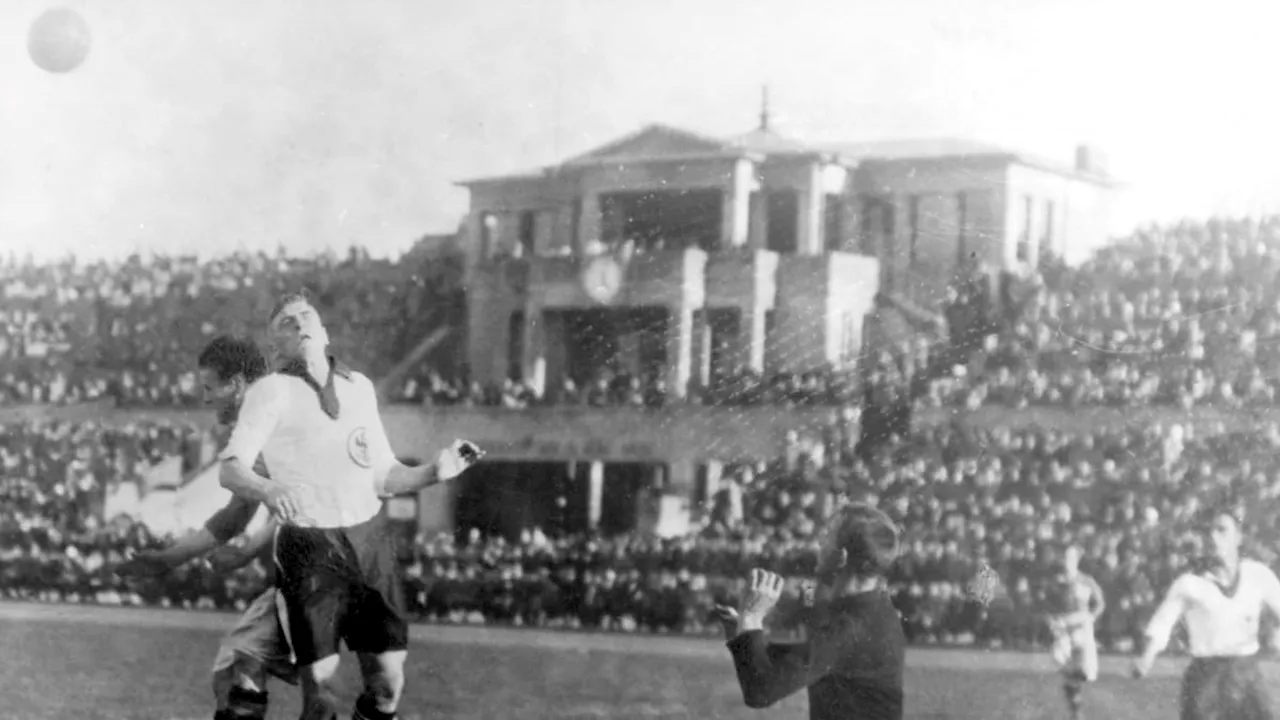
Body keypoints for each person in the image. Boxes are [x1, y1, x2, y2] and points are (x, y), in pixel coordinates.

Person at [218, 292, 483, 720]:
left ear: (323, 331)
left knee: (387, 685)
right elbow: (230, 471)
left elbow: (383, 474)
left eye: (306, 316)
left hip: (371, 543)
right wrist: (267, 490)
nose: (299, 323)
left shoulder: (360, 388)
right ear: (275, 347)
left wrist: (435, 470)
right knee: (323, 695)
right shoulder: (271, 391)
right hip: (310, 547)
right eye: (286, 322)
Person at [116, 335, 295, 720]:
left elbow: (299, 507)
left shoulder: (276, 423)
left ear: (237, 384)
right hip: (322, 563)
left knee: (245, 668)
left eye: (209, 387)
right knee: (238, 667)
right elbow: (237, 514)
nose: (205, 398)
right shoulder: (268, 424)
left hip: (320, 565)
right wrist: (168, 558)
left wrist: (247, 550)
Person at [714, 502, 905, 720]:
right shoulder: (864, 607)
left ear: (841, 557)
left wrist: (751, 617)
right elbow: (786, 656)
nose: (819, 545)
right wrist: (746, 632)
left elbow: (761, 690)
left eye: (827, 538)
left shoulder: (847, 626)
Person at [1131, 503, 1280, 720]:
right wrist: (1146, 658)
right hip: (1206, 678)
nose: (1213, 536)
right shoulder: (1189, 584)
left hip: (1247, 677)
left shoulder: (1257, 575)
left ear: (1238, 537)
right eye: (1208, 531)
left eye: (1221, 530)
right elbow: (1163, 624)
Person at [1043, 545, 1105, 720]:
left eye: (1070, 558)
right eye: (1065, 557)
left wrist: (1091, 617)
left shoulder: (1087, 581)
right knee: (1059, 659)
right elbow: (1046, 604)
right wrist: (1051, 620)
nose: (1067, 561)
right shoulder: (1055, 582)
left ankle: (1075, 702)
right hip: (1063, 625)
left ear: (1076, 560)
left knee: (1085, 670)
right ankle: (1075, 710)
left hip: (1082, 624)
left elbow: (1100, 603)